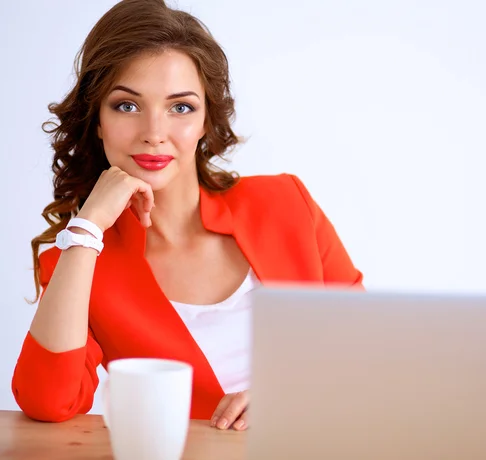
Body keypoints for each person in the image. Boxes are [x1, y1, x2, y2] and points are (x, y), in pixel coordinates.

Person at [12, 0, 363, 430]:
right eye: (126, 105)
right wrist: (86, 229)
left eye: (180, 107)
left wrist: (292, 393)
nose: (154, 133)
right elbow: (48, 401)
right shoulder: (82, 263)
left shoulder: (284, 202)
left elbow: (366, 348)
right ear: (97, 119)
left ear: (205, 120)